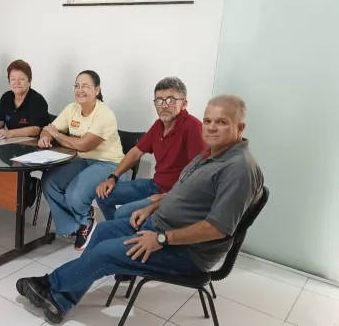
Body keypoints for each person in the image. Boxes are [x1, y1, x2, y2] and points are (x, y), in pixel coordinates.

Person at [16, 95, 264, 324]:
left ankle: (51, 284)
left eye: (221, 122)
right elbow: (181, 192)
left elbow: (217, 229)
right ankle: (62, 300)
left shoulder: (239, 169)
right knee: (102, 232)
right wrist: (152, 207)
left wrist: (161, 238)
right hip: (161, 225)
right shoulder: (211, 153)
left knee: (104, 253)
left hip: (187, 251)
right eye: (208, 120)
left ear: (240, 127)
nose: (210, 127)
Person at [95, 77, 205, 221]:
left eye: (171, 100)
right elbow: (135, 153)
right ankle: (118, 231)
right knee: (103, 195)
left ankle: (124, 232)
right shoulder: (158, 125)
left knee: (123, 213)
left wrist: (164, 197)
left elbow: (198, 173)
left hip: (174, 196)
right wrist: (113, 177)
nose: (164, 106)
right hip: (155, 185)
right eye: (159, 100)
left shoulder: (192, 127)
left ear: (183, 104)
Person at [38, 70, 125, 251]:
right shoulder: (72, 109)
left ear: (97, 90)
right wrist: (45, 136)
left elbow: (85, 145)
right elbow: (50, 128)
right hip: (81, 160)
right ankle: (74, 226)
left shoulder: (105, 114)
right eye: (77, 86)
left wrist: (57, 135)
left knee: (74, 195)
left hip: (109, 163)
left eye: (85, 86)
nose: (80, 90)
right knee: (49, 182)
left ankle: (86, 221)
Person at [0, 59, 49, 138]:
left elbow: (35, 129)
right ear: (9, 81)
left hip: (34, 144)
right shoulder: (6, 97)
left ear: (29, 81)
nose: (17, 83)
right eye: (13, 79)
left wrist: (10, 133)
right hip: (12, 142)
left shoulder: (37, 100)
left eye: (21, 79)